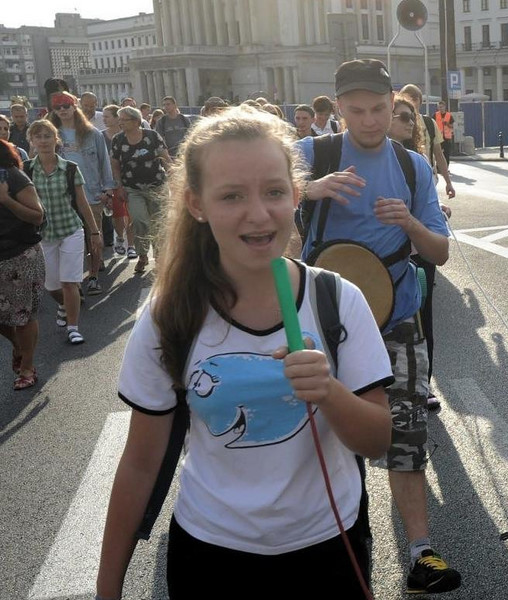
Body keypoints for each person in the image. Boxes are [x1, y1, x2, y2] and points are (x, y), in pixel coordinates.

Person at [95, 105, 393, 600]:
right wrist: (108, 589)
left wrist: (330, 393)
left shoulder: (338, 299)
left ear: (296, 195)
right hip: (211, 554)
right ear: (196, 204)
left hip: (329, 547)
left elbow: (378, 440)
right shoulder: (171, 315)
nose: (258, 214)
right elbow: (141, 464)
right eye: (231, 196)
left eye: (274, 192)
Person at [298, 59, 459, 594]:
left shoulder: (412, 167)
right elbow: (247, 204)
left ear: (394, 104)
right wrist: (309, 190)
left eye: (378, 109)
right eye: (356, 110)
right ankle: (334, 542)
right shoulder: (309, 156)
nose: (368, 120)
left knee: (406, 431)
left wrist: (410, 223)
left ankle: (421, 553)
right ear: (337, 108)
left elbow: (441, 251)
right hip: (322, 323)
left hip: (396, 317)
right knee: (326, 436)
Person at [390, 94, 450, 411]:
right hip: (381, 259)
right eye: (401, 115)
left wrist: (437, 211)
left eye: (411, 117)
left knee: (422, 318)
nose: (408, 122)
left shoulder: (417, 162)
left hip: (419, 254)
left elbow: (426, 209)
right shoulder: (359, 159)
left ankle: (422, 383)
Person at [27, 119, 101, 345]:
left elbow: (81, 201)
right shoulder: (26, 169)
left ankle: (73, 327)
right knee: (51, 285)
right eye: (38, 136)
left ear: (56, 139)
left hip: (70, 229)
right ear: (32, 141)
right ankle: (62, 305)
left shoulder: (69, 168)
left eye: (47, 136)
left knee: (69, 282)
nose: (43, 140)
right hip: (44, 235)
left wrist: (95, 232)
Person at [49, 91, 116, 296]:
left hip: (92, 193)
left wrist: (108, 189)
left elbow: (104, 162)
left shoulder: (92, 133)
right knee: (70, 241)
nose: (62, 110)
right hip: (62, 197)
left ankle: (94, 276)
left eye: (66, 106)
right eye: (58, 107)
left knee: (94, 236)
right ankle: (74, 282)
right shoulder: (53, 135)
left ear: (74, 107)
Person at [0, 138, 45, 390]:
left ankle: (27, 366)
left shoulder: (14, 177)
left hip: (20, 256)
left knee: (22, 315)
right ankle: (18, 346)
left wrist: (6, 200)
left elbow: (38, 215)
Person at [110, 105, 170, 275]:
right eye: (119, 119)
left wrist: (174, 178)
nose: (120, 123)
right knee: (139, 220)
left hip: (157, 185)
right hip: (133, 188)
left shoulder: (151, 136)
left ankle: (159, 258)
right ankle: (143, 254)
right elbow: (115, 165)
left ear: (136, 121)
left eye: (124, 120)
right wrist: (119, 186)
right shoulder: (118, 139)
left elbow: (165, 157)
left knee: (159, 223)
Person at [397, 85, 454, 199]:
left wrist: (448, 182)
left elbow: (438, 154)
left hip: (428, 178)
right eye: (406, 98)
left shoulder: (429, 123)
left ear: (420, 101)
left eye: (414, 98)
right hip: (403, 177)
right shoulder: (396, 122)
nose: (410, 101)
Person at [100, 105, 132, 258]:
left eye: (107, 116)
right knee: (117, 213)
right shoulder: (100, 136)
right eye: (103, 116)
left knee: (131, 212)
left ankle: (131, 244)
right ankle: (120, 237)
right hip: (111, 180)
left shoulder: (126, 135)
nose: (104, 119)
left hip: (130, 177)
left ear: (116, 118)